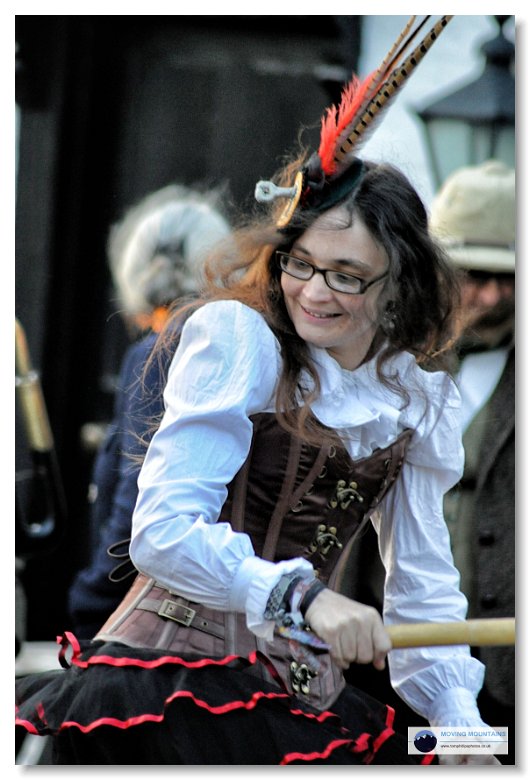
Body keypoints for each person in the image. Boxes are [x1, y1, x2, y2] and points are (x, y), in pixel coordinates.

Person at [15, 17, 501, 765]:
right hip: (167, 692)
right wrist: (303, 597)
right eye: (300, 263)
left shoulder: (412, 399)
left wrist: (463, 727)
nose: (314, 291)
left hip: (302, 701)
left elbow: (425, 595)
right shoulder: (239, 339)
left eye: (346, 275)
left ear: (398, 285)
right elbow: (162, 532)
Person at [67, 184, 232, 638]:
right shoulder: (227, 348)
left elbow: (137, 499)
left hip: (147, 619)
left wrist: (90, 601)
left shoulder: (155, 354)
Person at [430, 160, 515, 763]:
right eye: (477, 276)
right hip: (393, 658)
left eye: (511, 277)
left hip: (506, 673)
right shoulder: (383, 361)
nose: (496, 295)